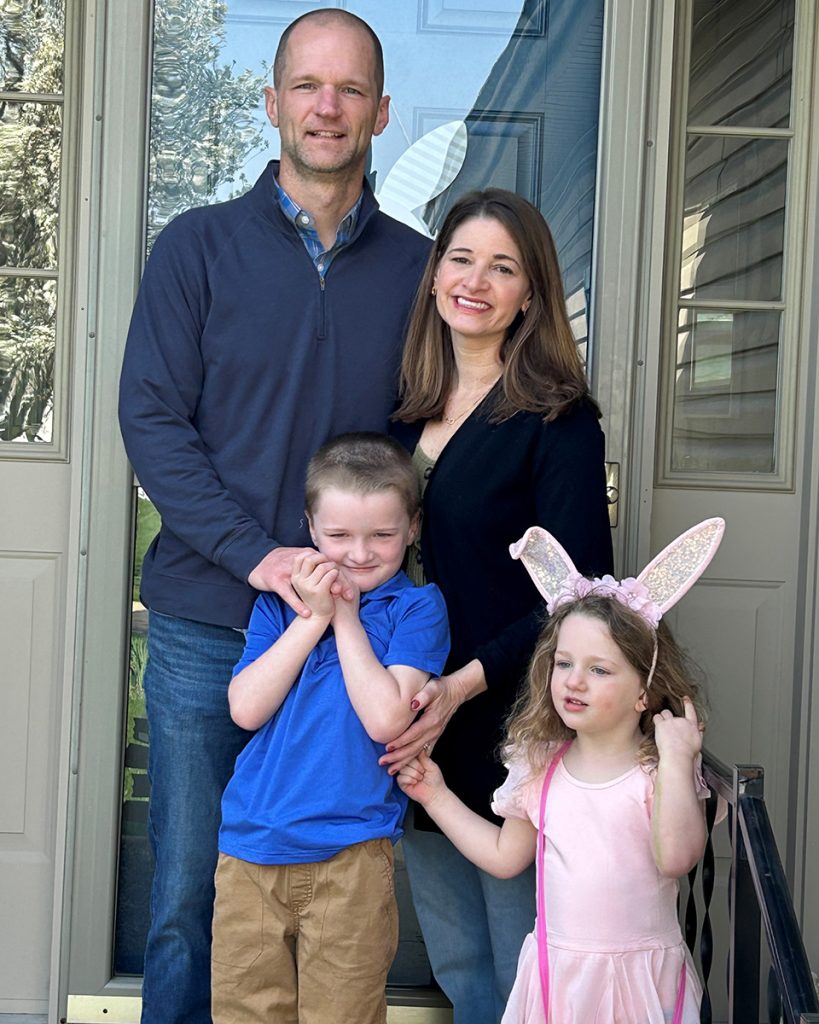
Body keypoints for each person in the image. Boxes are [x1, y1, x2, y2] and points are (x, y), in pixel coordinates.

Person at [117, 11, 430, 1022]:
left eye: (347, 90)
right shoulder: (197, 249)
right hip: (214, 625)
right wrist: (258, 557)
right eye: (306, 86)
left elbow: (441, 439)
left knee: (342, 901)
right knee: (188, 898)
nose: (326, 107)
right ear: (272, 104)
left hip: (353, 646)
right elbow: (151, 420)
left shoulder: (421, 272)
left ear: (380, 111)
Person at [384, 188, 614, 1022]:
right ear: (434, 276)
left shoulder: (559, 422)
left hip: (511, 718)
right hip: (417, 718)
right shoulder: (402, 412)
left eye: (502, 266)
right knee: (458, 962)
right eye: (460, 258)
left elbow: (583, 596)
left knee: (527, 967)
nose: (475, 281)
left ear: (529, 294)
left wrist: (462, 686)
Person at [398, 518, 726, 1024]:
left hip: (641, 982)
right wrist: (435, 793)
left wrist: (680, 761)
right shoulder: (541, 764)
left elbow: (676, 857)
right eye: (564, 663)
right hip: (560, 980)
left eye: (600, 669)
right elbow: (506, 857)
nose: (575, 681)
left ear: (644, 690)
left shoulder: (656, 771)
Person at [211, 432, 449, 1024]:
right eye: (339, 536)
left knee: (342, 1012)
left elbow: (387, 718)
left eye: (382, 536)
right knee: (246, 1009)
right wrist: (312, 617)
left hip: (352, 853)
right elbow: (245, 707)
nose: (360, 554)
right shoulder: (280, 605)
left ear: (413, 528)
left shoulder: (417, 608)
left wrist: (345, 618)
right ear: (311, 531)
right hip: (252, 847)